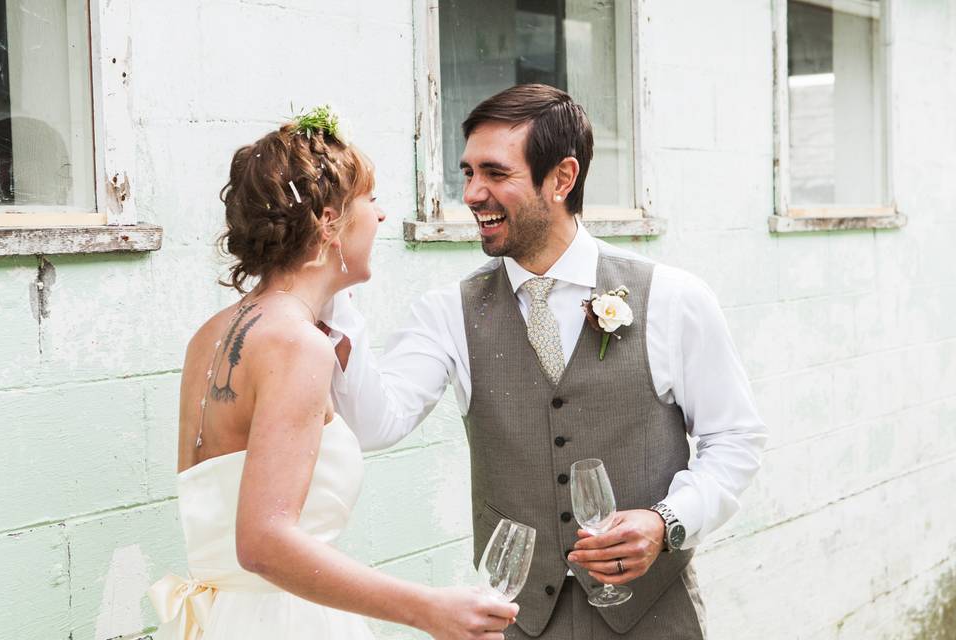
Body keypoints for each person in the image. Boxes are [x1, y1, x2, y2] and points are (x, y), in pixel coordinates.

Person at [326, 85, 768, 639]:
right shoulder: (446, 314)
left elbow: (736, 438)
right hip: (516, 621)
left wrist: (667, 522)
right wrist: (333, 289)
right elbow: (373, 424)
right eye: (467, 174)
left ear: (561, 178)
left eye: (495, 173)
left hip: (654, 616)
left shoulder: (676, 299)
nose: (473, 194)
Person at [147, 106, 518, 640]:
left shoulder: (211, 333)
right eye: (370, 199)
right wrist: (427, 609)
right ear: (327, 222)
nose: (382, 216)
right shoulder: (297, 346)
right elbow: (264, 542)